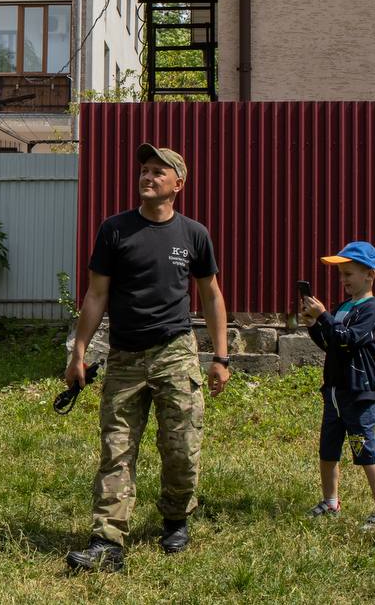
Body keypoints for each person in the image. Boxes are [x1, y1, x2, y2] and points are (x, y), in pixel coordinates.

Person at [65, 144, 230, 572]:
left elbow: (212, 296)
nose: (148, 176)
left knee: (182, 446)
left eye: (159, 171)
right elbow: (96, 295)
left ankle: (175, 518)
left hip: (176, 353)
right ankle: (107, 541)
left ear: (178, 184)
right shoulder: (115, 230)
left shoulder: (193, 234)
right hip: (124, 355)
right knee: (116, 449)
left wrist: (221, 357)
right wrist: (79, 352)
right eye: (144, 169)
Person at [300, 241, 375, 531]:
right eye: (341, 274)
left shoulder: (371, 309)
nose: (343, 280)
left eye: (348, 274)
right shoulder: (344, 307)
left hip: (358, 392)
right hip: (335, 391)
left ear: (370, 275)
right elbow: (331, 343)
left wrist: (324, 316)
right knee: (328, 450)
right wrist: (314, 325)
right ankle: (330, 502)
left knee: (364, 450)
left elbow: (348, 339)